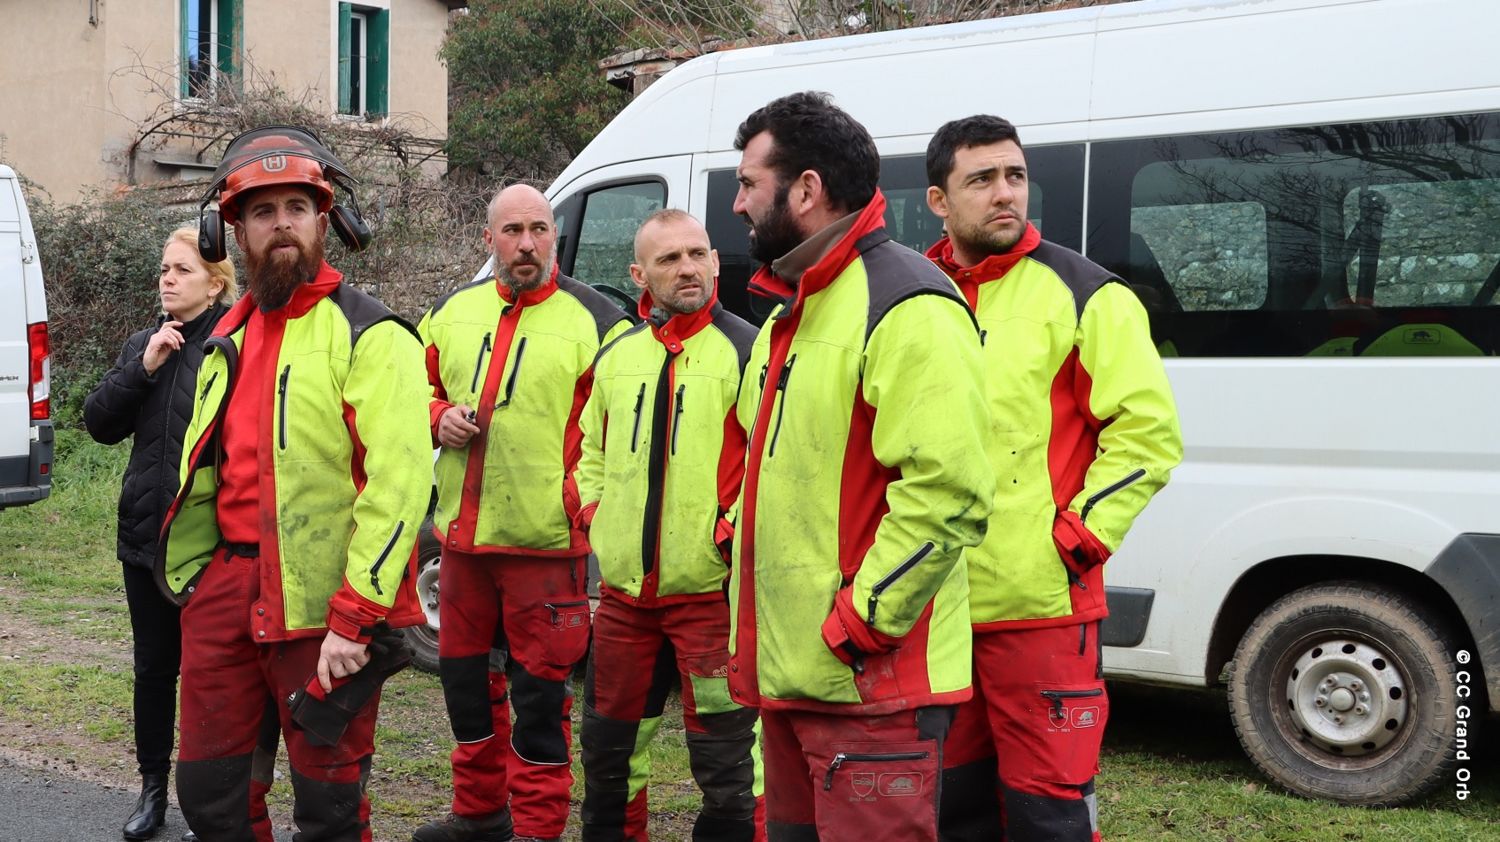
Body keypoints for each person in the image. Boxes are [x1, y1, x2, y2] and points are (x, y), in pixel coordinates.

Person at [725, 91, 995, 842]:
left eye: (749, 183)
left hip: (870, 687)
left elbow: (950, 493)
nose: (739, 203)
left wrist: (861, 625)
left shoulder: (907, 305)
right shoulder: (794, 309)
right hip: (795, 679)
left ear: (806, 190)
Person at [156, 126, 433, 842]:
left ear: (326, 220)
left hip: (322, 608)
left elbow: (398, 490)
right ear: (232, 233)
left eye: (296, 208)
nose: (281, 223)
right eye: (262, 210)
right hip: (224, 593)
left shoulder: (373, 336)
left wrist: (356, 615)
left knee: (329, 812)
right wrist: (197, 588)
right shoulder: (228, 339)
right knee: (212, 798)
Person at [922, 115, 1183, 841]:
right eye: (982, 180)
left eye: (1015, 177)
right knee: (951, 808)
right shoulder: (914, 294)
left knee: (1049, 813)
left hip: (1041, 609)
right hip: (934, 608)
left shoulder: (1086, 294)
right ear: (939, 200)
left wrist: (1074, 541)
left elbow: (1146, 436)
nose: (1005, 194)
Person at [414, 184, 633, 842]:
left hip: (548, 553)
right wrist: (437, 416)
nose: (528, 243)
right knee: (466, 692)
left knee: (539, 705)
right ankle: (479, 816)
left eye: (540, 229)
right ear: (490, 240)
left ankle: (537, 832)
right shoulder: (452, 312)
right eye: (513, 231)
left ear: (555, 237)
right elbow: (409, 390)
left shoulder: (600, 324)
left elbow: (622, 433)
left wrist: (579, 505)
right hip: (463, 548)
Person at [574, 210, 764, 842]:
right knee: (606, 752)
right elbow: (587, 452)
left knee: (728, 763)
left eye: (696, 254)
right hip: (626, 600)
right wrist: (598, 518)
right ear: (639, 275)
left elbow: (774, 462)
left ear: (714, 261)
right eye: (668, 259)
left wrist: (727, 536)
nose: (686, 268)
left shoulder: (749, 350)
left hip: (711, 599)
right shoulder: (618, 354)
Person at [83, 227, 236, 841]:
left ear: (216, 283)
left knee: (212, 673)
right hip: (146, 535)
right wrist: (143, 369)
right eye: (164, 270)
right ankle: (152, 790)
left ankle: (214, 800)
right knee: (154, 669)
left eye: (182, 270)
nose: (168, 280)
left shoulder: (236, 345)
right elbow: (97, 423)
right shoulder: (144, 344)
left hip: (212, 542)